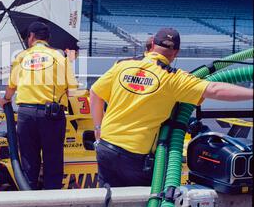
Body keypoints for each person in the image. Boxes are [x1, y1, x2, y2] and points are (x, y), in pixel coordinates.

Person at [90, 28, 253, 188]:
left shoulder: (122, 65)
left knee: (109, 204)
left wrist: (98, 127)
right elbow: (216, 89)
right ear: (176, 53)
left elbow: (95, 92)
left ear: (152, 44)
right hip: (136, 157)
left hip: (106, 148)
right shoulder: (173, 78)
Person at [0, 21, 79, 190]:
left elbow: (11, 88)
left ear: (32, 36)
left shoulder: (21, 57)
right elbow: (72, 89)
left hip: (25, 115)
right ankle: (51, 203)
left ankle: (30, 202)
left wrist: (5, 99)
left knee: (29, 163)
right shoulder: (59, 57)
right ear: (47, 38)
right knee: (53, 162)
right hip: (51, 114)